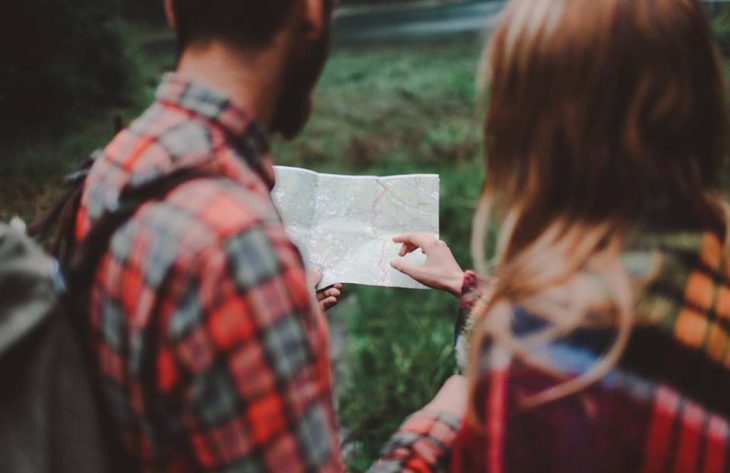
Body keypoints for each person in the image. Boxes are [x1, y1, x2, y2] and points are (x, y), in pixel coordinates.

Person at [377, 0, 730, 471]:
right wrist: (466, 285)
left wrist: (435, 422)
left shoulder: (537, 364)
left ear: (528, 134)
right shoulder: (707, 255)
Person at [73, 0, 346, 471]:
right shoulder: (239, 250)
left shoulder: (117, 159)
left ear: (172, 11)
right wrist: (443, 419)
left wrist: (277, 316)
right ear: (314, 12)